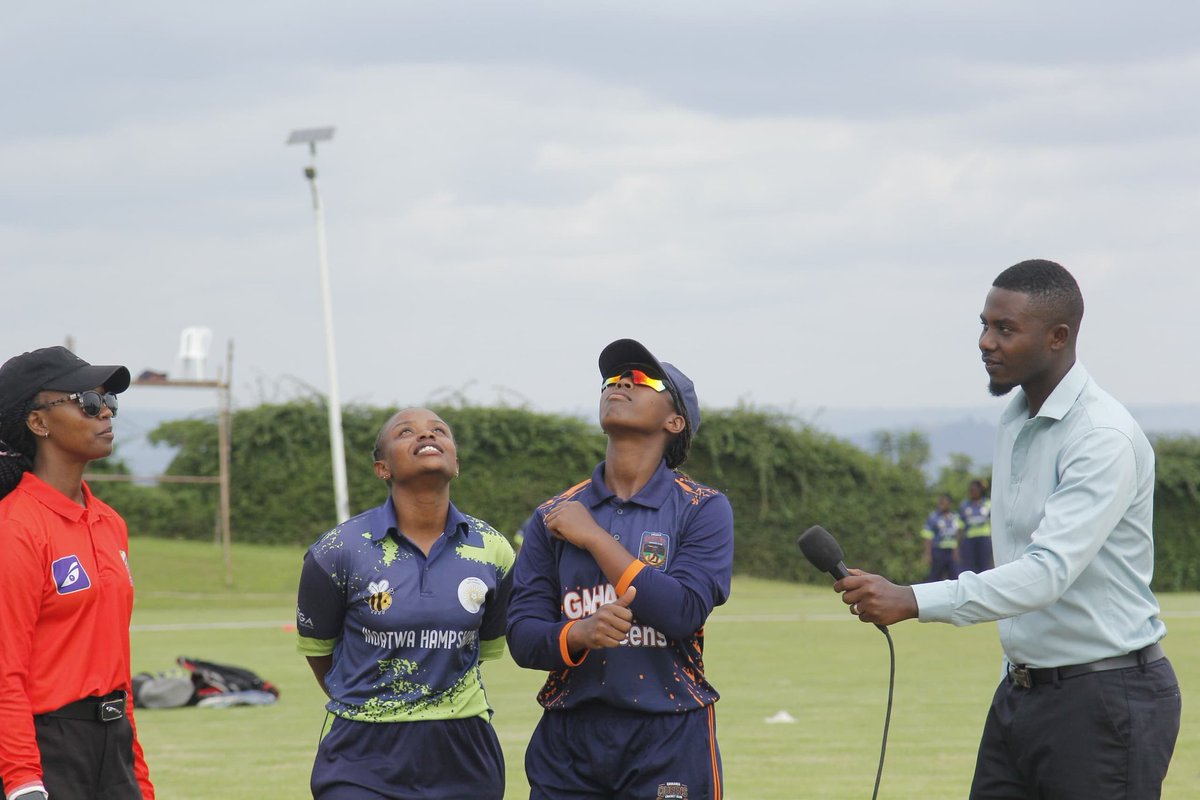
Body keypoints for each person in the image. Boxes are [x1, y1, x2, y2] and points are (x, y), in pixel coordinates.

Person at [836, 260, 1181, 798]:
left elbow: (1045, 575)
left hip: (1106, 698)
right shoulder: (1015, 418)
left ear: (1058, 337)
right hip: (1022, 692)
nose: (984, 342)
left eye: (1004, 329)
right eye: (984, 325)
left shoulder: (1102, 436)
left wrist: (912, 598)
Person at [506, 339, 735, 800]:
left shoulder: (702, 508)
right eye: (613, 379)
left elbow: (682, 611)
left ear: (675, 421)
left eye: (644, 379)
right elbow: (523, 636)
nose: (623, 383)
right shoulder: (553, 515)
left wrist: (593, 537)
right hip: (568, 739)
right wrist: (579, 635)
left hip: (668, 734)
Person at [295, 407, 514, 800]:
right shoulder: (336, 550)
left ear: (456, 462)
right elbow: (320, 653)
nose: (426, 436)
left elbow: (485, 647)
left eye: (438, 431)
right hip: (361, 751)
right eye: (406, 432)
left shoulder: (493, 549)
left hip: (463, 751)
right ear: (383, 469)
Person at [0, 346, 155, 800]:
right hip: (47, 752)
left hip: (114, 746)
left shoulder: (111, 523)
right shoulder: (15, 529)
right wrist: (24, 781)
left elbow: (116, 669)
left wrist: (139, 779)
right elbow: (5, 671)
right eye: (87, 401)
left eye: (109, 402)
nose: (105, 411)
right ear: (38, 422)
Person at [922, 493, 963, 580]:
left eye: (943, 503)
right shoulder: (933, 517)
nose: (941, 505)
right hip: (938, 551)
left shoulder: (955, 517)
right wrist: (927, 553)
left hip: (952, 551)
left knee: (954, 577)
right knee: (935, 577)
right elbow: (928, 536)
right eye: (940, 503)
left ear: (949, 504)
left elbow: (959, 532)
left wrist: (957, 548)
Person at [958, 479, 993, 573]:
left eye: (974, 490)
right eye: (971, 490)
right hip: (969, 539)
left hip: (984, 538)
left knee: (985, 566)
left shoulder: (988, 503)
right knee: (969, 567)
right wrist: (959, 543)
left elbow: (993, 522)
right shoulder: (964, 505)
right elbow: (960, 525)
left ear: (980, 490)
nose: (972, 492)